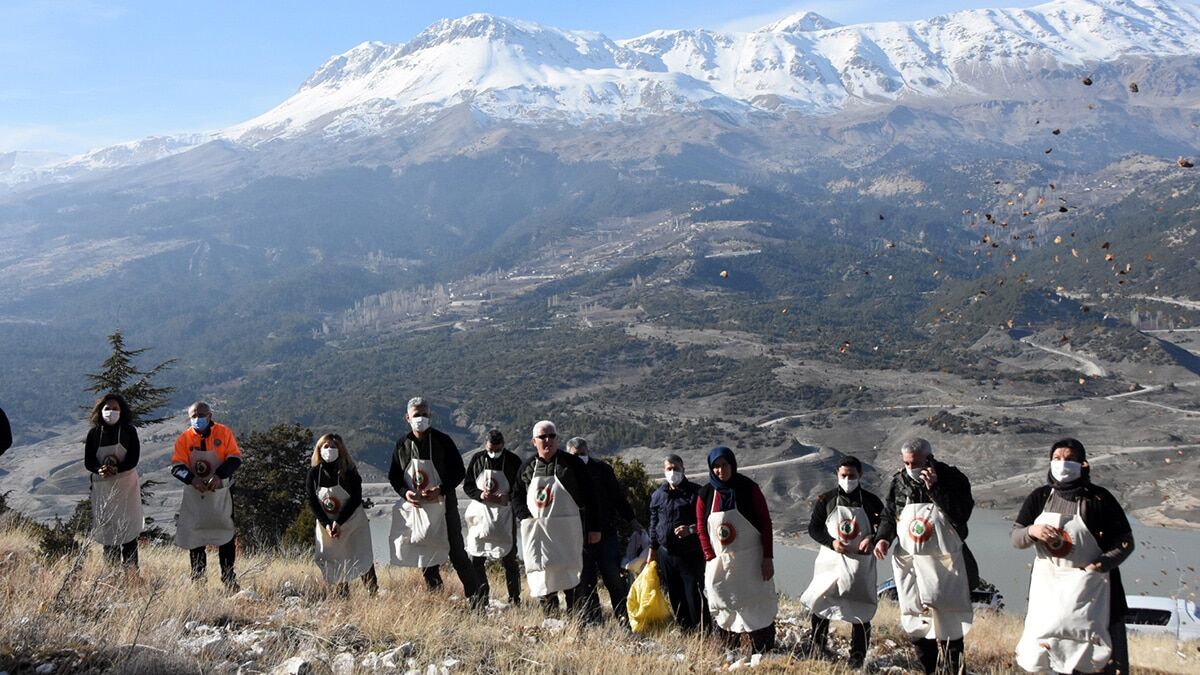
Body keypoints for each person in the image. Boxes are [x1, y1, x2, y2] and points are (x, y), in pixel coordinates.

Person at [1013, 438, 1134, 675]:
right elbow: (1015, 538)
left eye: (1069, 459)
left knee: (1102, 662)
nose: (1062, 464)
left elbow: (1125, 542)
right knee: (1049, 657)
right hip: (1051, 595)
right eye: (1057, 459)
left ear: (1082, 464)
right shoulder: (1040, 497)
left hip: (1096, 592)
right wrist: (1032, 531)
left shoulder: (1099, 499)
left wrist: (1101, 565)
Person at [873, 438, 974, 675]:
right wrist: (883, 538)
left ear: (929, 458)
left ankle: (952, 668)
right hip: (911, 561)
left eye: (916, 462)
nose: (911, 467)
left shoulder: (952, 478)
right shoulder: (899, 481)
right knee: (916, 618)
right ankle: (928, 668)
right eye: (906, 462)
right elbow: (890, 513)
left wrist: (935, 488)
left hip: (944, 562)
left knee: (949, 619)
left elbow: (961, 515)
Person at [387, 397, 482, 607]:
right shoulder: (402, 444)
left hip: (444, 505)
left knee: (457, 553)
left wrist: (441, 489)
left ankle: (477, 601)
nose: (420, 418)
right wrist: (405, 493)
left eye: (424, 414)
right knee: (426, 555)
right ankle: (437, 600)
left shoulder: (443, 441)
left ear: (430, 417)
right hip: (418, 509)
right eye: (416, 415)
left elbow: (458, 472)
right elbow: (394, 476)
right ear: (407, 418)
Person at [800, 456, 883, 668]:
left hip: (859, 565)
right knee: (822, 604)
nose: (848, 480)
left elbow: (885, 526)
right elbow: (814, 528)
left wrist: (872, 538)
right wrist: (831, 542)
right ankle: (818, 647)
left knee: (861, 608)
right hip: (831, 562)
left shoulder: (872, 501)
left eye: (852, 476)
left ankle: (857, 657)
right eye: (844, 475)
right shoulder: (825, 500)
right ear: (837, 474)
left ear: (860, 475)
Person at [512, 420, 600, 616]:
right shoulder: (527, 468)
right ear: (534, 441)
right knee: (544, 577)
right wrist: (525, 518)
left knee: (572, 577)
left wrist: (594, 528)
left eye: (551, 436)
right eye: (542, 437)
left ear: (557, 439)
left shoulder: (573, 464)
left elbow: (591, 497)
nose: (547, 440)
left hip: (568, 534)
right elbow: (516, 496)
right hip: (539, 534)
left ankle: (576, 622)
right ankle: (551, 619)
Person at [697, 446, 777, 654]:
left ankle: (762, 650)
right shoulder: (705, 494)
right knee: (723, 603)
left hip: (751, 561)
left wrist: (767, 557)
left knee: (755, 603)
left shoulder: (748, 489)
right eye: (715, 466)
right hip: (720, 562)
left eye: (724, 465)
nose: (720, 470)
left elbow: (765, 523)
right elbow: (700, 527)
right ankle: (727, 650)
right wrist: (710, 555)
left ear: (732, 465)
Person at [566, 436, 641, 626]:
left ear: (588, 451)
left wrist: (631, 520)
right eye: (575, 455)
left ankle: (625, 620)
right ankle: (594, 622)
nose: (580, 457)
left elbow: (617, 497)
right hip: (578, 538)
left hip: (606, 535)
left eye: (583, 454)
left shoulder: (602, 470)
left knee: (614, 579)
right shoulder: (565, 473)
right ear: (569, 455)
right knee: (586, 582)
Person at [171, 401, 242, 591]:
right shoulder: (184, 439)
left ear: (210, 416)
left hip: (221, 492)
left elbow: (235, 458)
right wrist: (191, 479)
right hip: (196, 493)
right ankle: (198, 581)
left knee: (226, 535)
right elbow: (177, 466)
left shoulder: (223, 433)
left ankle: (229, 578)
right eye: (193, 416)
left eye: (201, 415)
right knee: (196, 536)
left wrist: (219, 476)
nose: (197, 419)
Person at [306, 433, 378, 597]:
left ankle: (372, 591)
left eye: (334, 447)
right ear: (319, 449)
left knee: (361, 554)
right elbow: (312, 501)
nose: (330, 450)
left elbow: (355, 499)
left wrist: (340, 522)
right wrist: (327, 523)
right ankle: (342, 595)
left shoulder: (350, 472)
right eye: (326, 446)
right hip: (328, 523)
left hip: (352, 521)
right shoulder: (314, 474)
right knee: (334, 557)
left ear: (341, 450)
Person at [647, 453, 707, 631]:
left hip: (690, 553)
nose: (673, 472)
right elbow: (653, 522)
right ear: (664, 471)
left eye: (676, 469)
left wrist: (691, 529)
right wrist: (652, 549)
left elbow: (706, 521)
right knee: (674, 593)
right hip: (667, 554)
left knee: (693, 593)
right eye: (669, 469)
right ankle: (685, 629)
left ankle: (702, 629)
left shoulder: (697, 493)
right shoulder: (658, 495)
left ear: (683, 470)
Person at [83, 393, 144, 569]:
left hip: (127, 487)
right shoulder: (94, 433)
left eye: (115, 409)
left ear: (122, 411)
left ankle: (132, 574)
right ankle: (110, 574)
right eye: (107, 408)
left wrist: (118, 469)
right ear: (100, 411)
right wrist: (99, 470)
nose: (111, 412)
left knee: (129, 533)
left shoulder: (129, 431)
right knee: (109, 533)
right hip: (103, 487)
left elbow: (133, 458)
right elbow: (89, 461)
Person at [463, 429, 522, 606]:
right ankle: (482, 596)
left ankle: (514, 599)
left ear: (503, 445)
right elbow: (468, 486)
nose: (493, 453)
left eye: (496, 449)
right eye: (490, 449)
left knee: (509, 557)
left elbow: (521, 488)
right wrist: (481, 495)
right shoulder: (477, 459)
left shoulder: (513, 461)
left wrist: (508, 497)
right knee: (476, 555)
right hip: (480, 515)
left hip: (504, 516)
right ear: (485, 444)